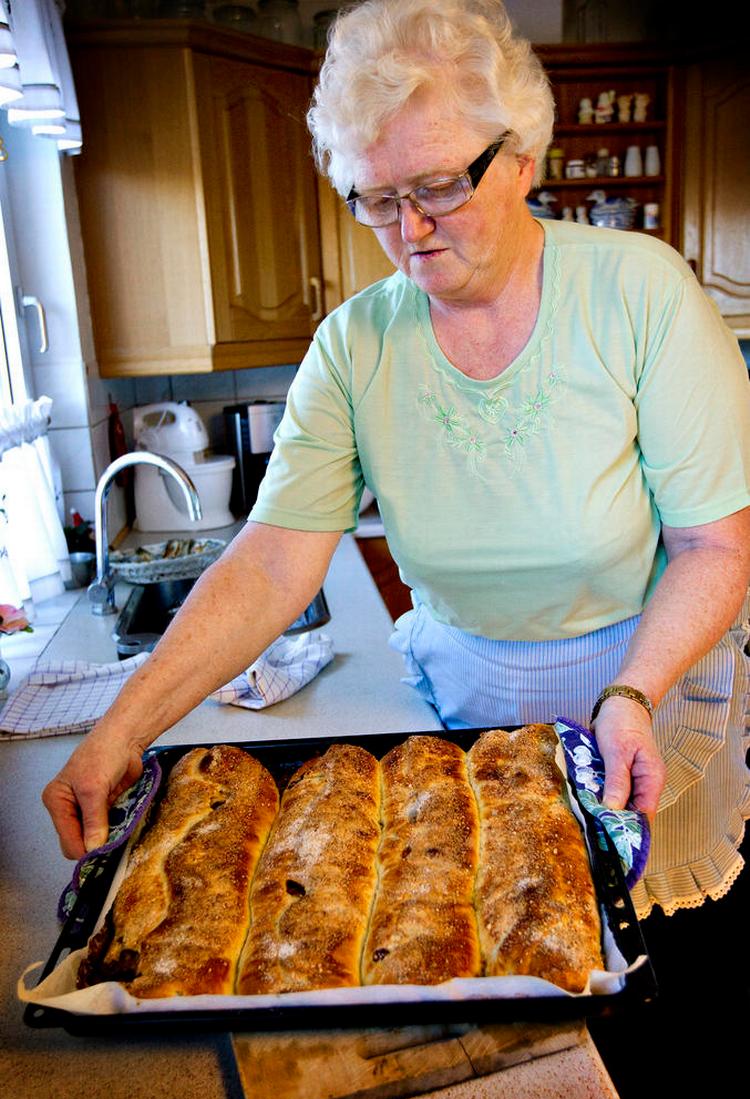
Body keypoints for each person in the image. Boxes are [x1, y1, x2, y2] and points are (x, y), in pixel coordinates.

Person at [44, 0, 750, 921]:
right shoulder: (353, 345)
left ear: (522, 158)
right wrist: (122, 729)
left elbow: (712, 549)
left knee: (639, 949)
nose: (411, 228)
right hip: (466, 700)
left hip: (641, 679)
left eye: (440, 186)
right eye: (378, 199)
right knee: (487, 929)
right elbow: (269, 562)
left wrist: (630, 691)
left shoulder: (641, 292)